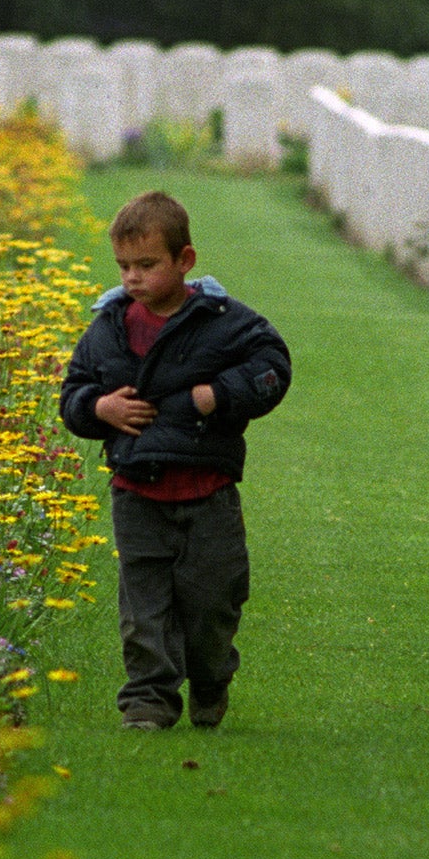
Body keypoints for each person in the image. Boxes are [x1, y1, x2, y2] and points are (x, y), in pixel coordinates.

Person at [58, 191, 292, 731]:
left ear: (184, 261)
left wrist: (218, 396)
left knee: (213, 602)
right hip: (137, 491)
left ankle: (211, 680)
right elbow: (73, 392)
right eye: (123, 266)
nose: (133, 278)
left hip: (207, 492)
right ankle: (149, 700)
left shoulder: (225, 322)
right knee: (144, 606)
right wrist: (101, 407)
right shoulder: (108, 328)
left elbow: (273, 367)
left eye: (147, 265)